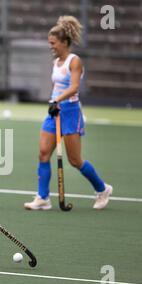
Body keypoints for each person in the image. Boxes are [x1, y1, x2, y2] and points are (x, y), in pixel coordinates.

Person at [24, 16, 112, 211]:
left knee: (75, 160)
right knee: (43, 153)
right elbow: (58, 85)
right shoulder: (56, 62)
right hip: (54, 111)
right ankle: (43, 198)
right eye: (49, 43)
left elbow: (73, 87)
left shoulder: (75, 61)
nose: (51, 47)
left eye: (53, 43)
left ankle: (102, 189)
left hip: (70, 112)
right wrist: (53, 100)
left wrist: (58, 100)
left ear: (64, 42)